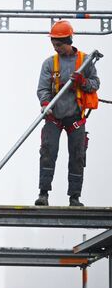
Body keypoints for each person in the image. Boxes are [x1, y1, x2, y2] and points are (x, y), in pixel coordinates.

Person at [35, 20, 100, 207]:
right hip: (53, 116)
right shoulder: (49, 63)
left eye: (59, 45)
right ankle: (43, 194)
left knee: (77, 155)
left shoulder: (85, 62)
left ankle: (74, 197)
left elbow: (95, 84)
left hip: (76, 117)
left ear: (68, 41)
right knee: (48, 152)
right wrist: (46, 103)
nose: (56, 48)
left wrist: (83, 82)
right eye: (53, 44)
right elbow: (42, 89)